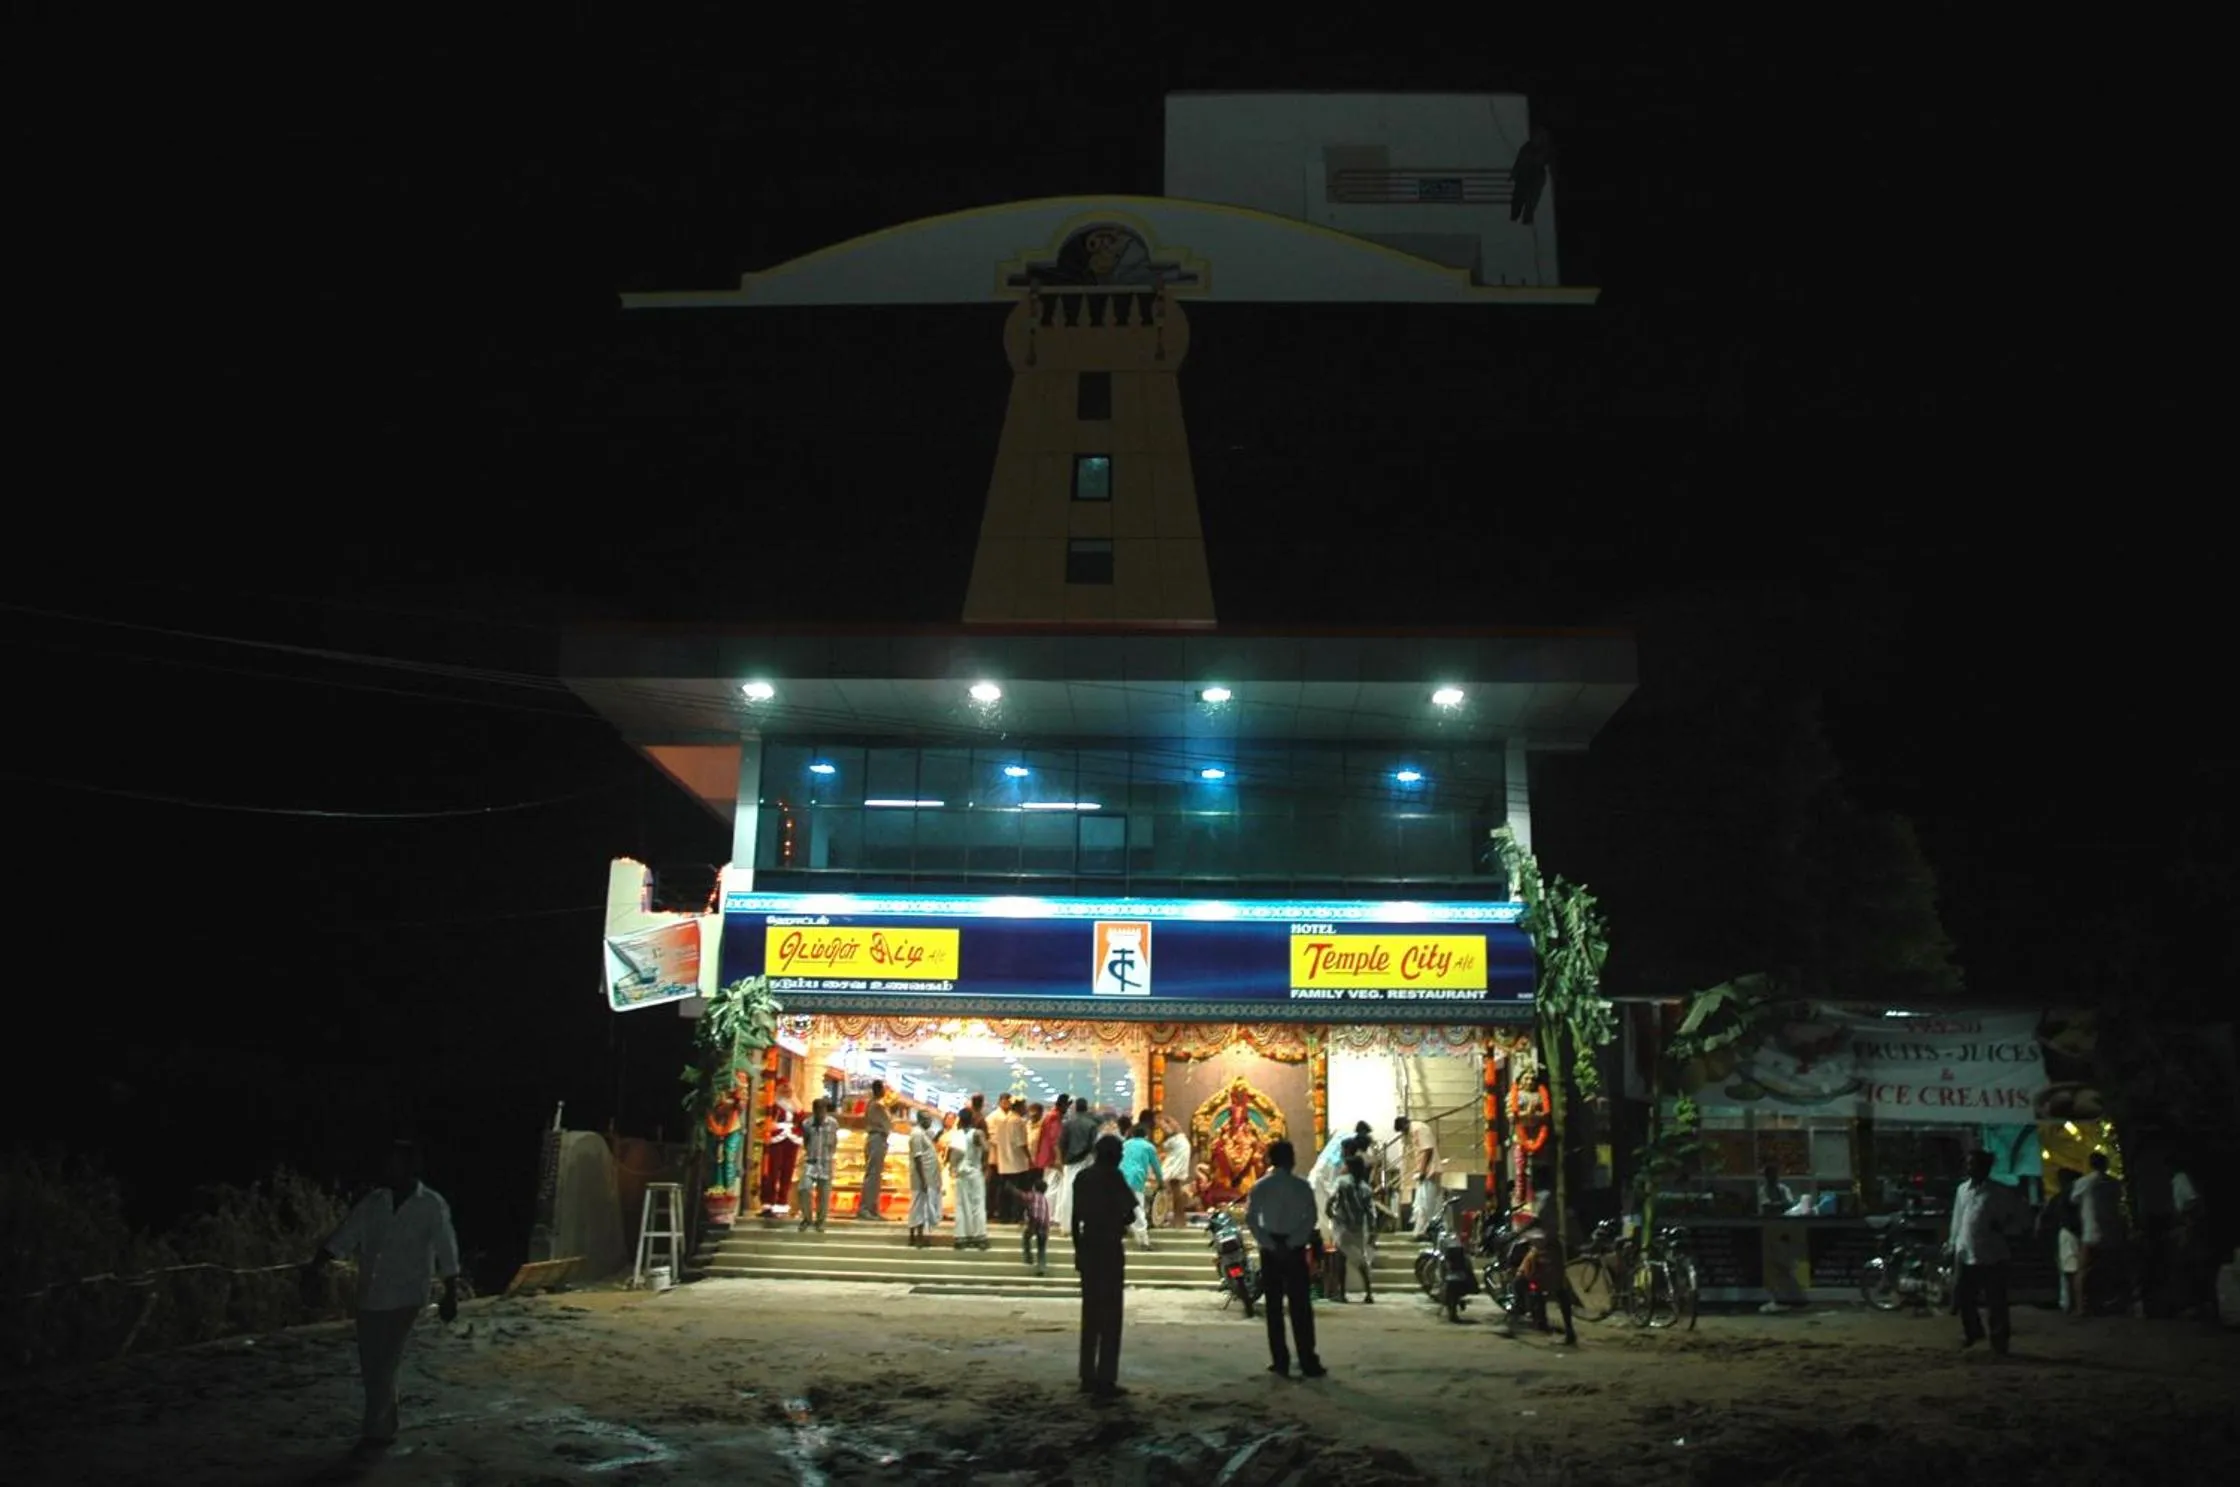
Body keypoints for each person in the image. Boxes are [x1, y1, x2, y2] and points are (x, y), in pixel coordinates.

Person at [302, 1140, 461, 1455]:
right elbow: (346, 1235)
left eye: (393, 1163)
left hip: (406, 1295)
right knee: (372, 1363)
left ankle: (377, 1432)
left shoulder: (431, 1204)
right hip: (371, 1294)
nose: (386, 1168)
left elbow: (446, 1247)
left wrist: (450, 1291)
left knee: (384, 1362)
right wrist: (317, 1264)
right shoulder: (374, 1202)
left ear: (409, 1167)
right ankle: (382, 1426)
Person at [1246, 1139, 1326, 1379]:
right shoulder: (1302, 1187)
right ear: (1291, 1159)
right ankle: (1307, 1358)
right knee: (1300, 1305)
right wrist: (1292, 1244)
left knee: (1273, 1307)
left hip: (1270, 1249)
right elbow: (1310, 1217)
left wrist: (1271, 1244)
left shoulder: (1260, 1187)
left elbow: (1251, 1219)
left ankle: (1280, 1361)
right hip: (1295, 1248)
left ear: (1270, 1160)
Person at [1072, 1132, 1138, 1401]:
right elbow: (1130, 1213)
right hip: (1110, 1247)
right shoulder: (1114, 1177)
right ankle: (1106, 1377)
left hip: (1089, 1246)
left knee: (1090, 1313)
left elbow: (1076, 1219)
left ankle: (1087, 1375)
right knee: (1111, 1315)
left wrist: (1078, 1251)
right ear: (1113, 1155)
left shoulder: (1083, 1178)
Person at [1949, 1148, 2026, 1356]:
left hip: (1993, 1255)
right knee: (1964, 1298)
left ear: (1985, 1167)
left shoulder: (1999, 1192)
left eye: (1973, 1164)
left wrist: (2003, 1228)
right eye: (1968, 1164)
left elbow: (2017, 1218)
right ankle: (1973, 1332)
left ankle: (1999, 1342)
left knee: (1996, 1302)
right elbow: (1958, 1219)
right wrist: (1952, 1243)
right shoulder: (1962, 1190)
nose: (1969, 1168)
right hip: (1966, 1251)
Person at [2072, 1151, 2125, 1316]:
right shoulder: (2114, 1183)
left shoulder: (2084, 1182)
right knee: (2108, 1269)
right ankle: (2106, 1302)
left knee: (2082, 1270)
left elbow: (2074, 1200)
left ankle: (2081, 1306)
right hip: (2111, 1232)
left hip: (2090, 1231)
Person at [1328, 1154, 1378, 1304]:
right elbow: (1370, 1212)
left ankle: (1341, 1293)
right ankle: (1368, 1293)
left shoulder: (1341, 1182)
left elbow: (1331, 1200)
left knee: (1341, 1260)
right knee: (1360, 1260)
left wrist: (1330, 1214)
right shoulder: (1365, 1188)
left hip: (1342, 1226)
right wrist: (1372, 1230)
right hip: (1357, 1228)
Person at [2036, 1168, 2084, 1315]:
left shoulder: (2059, 1198)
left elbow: (2045, 1219)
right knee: (2072, 1270)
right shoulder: (2070, 1198)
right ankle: (2071, 1303)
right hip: (2070, 1234)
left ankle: (2067, 1303)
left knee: (2067, 1270)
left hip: (2063, 1235)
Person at [1051, 1092, 1100, 1233]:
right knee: (1088, 1194)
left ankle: (1066, 1227)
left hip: (1070, 1162)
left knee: (1068, 1193)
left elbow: (1061, 1143)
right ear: (1086, 1108)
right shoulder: (1092, 1124)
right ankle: (1086, 1225)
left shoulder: (1067, 1124)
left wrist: (1061, 1159)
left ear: (1075, 1108)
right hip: (1087, 1161)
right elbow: (1094, 1145)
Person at [948, 1107, 990, 1249]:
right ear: (972, 1119)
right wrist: (984, 1164)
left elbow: (953, 1156)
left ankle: (961, 1237)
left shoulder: (957, 1135)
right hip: (975, 1172)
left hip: (961, 1173)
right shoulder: (977, 1133)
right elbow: (986, 1149)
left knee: (961, 1205)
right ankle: (980, 1237)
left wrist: (953, 1169)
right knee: (977, 1204)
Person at [796, 1097, 839, 1232]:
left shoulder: (833, 1123)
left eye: (822, 1110)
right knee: (804, 1188)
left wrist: (830, 1155)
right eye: (817, 1110)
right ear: (814, 1111)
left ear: (826, 1110)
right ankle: (807, 1218)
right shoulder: (807, 1124)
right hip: (811, 1162)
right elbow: (806, 1141)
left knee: (824, 1194)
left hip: (826, 1162)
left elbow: (834, 1142)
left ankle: (820, 1221)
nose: (820, 1113)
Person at [856, 1079, 895, 1221]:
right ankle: (865, 1208)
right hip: (876, 1139)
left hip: (879, 1140)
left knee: (875, 1176)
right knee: (872, 1176)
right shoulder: (877, 1106)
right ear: (880, 1090)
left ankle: (872, 1208)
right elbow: (887, 1124)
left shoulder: (876, 1104)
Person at [1120, 1122, 1162, 1250]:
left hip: (1120, 1177)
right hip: (1136, 1178)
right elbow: (1156, 1166)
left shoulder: (1125, 1144)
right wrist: (1161, 1182)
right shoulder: (1148, 1147)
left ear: (1132, 1134)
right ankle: (1144, 1241)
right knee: (1138, 1208)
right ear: (1146, 1135)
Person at [906, 1108, 943, 1248]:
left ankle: (921, 1235)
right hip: (921, 1177)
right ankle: (915, 1236)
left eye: (930, 1119)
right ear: (920, 1120)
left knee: (923, 1207)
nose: (930, 1121)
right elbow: (918, 1158)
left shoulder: (925, 1133)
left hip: (928, 1176)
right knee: (917, 1206)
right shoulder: (916, 1134)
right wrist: (923, 1179)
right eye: (927, 1119)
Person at [1399, 1116, 1441, 1238]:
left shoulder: (1418, 1128)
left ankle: (1425, 1231)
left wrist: (1422, 1171)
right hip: (1426, 1171)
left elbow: (1427, 1150)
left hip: (1429, 1171)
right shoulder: (1416, 1128)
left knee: (1426, 1203)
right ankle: (1421, 1231)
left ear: (1404, 1126)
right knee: (1422, 1201)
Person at [995, 1094, 1033, 1223]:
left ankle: (1004, 1216)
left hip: (1004, 1161)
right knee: (1018, 1191)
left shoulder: (1002, 1120)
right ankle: (1016, 1216)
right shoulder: (1018, 1121)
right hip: (1017, 1163)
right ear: (1019, 1107)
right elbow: (1021, 1143)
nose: (1026, 1109)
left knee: (1004, 1191)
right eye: (1024, 1106)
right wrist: (1030, 1157)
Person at [1159, 1113, 1193, 1229]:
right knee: (1175, 1188)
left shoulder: (1173, 1134)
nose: (1162, 1128)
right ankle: (1178, 1219)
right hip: (1178, 1153)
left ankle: (1178, 1220)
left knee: (1174, 1187)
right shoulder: (1178, 1135)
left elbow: (1166, 1144)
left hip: (1178, 1155)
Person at [1021, 1171, 1052, 1276]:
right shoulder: (1045, 1200)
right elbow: (1047, 1216)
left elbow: (1023, 1196)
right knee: (1041, 1248)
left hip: (1034, 1224)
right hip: (1044, 1227)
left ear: (1034, 1188)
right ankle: (1041, 1267)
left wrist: (1011, 1189)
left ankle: (1028, 1257)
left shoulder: (1033, 1195)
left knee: (1026, 1238)